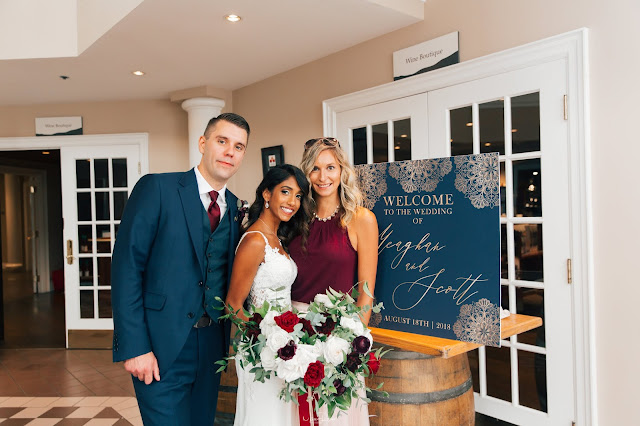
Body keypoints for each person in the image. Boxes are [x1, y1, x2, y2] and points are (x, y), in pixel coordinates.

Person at [111, 113, 250, 425]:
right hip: (161, 345)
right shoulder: (157, 188)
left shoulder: (236, 208)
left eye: (239, 146)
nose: (230, 151)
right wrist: (135, 347)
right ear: (203, 143)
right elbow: (126, 269)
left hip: (212, 345)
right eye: (222, 141)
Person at [289, 137, 379, 426]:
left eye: (330, 167)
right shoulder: (294, 219)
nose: (323, 176)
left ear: (342, 171)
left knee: (335, 417)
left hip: (338, 338)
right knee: (298, 414)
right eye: (315, 169)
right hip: (293, 336)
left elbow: (366, 293)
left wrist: (355, 344)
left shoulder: (361, 219)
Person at [225, 164, 310, 426]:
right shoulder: (254, 240)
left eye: (298, 196)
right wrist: (266, 343)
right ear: (266, 194)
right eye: (285, 192)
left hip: (283, 350)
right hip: (261, 353)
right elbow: (233, 305)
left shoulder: (278, 238)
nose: (292, 202)